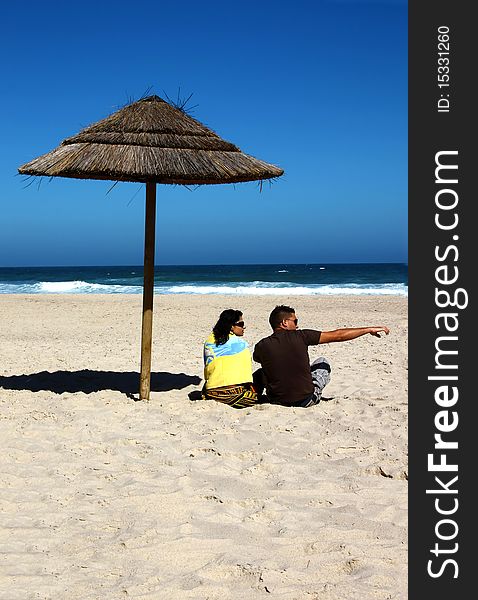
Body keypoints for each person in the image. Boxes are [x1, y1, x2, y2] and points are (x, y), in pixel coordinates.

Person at [252, 304, 390, 408]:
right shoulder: (302, 336)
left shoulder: (261, 345)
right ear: (284, 323)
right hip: (306, 401)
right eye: (295, 321)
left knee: (261, 372)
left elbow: (258, 359)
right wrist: (367, 329)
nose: (298, 325)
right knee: (322, 362)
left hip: (276, 401)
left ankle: (254, 396)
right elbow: (338, 336)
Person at [202, 309, 259, 409]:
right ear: (231, 326)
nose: (243, 327)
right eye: (241, 324)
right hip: (236, 395)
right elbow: (246, 373)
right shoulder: (241, 344)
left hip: (212, 392)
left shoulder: (209, 342)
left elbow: (208, 369)